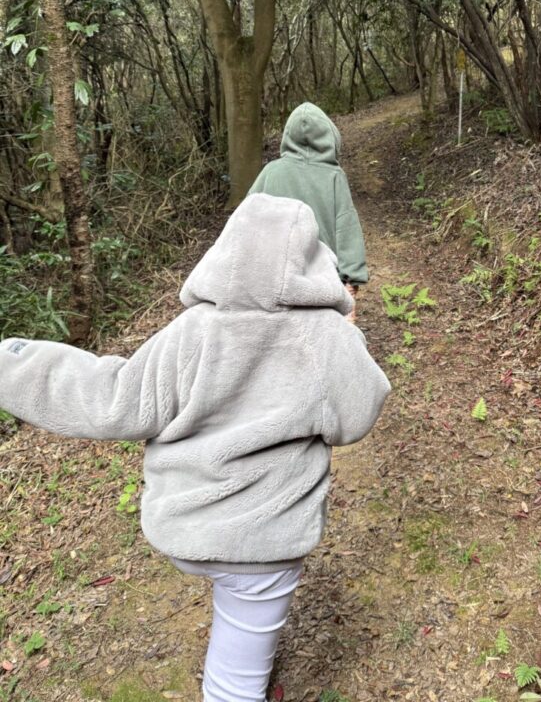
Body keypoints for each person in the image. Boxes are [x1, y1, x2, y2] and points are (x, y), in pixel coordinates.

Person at [0, 194, 391, 702]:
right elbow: (357, 416)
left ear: (225, 251)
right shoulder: (325, 336)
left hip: (184, 527)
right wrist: (349, 339)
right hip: (264, 543)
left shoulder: (191, 331)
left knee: (230, 606)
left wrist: (13, 361)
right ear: (313, 258)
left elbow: (114, 397)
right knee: (239, 670)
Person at [249, 103, 368, 294]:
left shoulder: (271, 171)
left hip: (275, 273)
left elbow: (246, 220)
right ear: (329, 137)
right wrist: (351, 279)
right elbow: (347, 226)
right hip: (323, 277)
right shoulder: (334, 176)